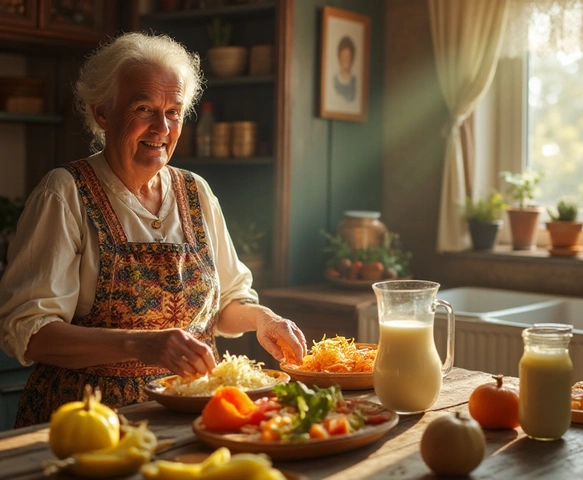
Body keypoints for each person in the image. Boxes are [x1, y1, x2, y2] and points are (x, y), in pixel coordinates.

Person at [0, 32, 307, 428]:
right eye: (144, 108)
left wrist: (263, 319)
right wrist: (141, 344)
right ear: (102, 113)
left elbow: (227, 304)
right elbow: (30, 332)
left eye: (174, 111)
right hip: (90, 420)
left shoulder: (196, 192)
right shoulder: (65, 193)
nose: (162, 127)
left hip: (189, 414)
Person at [333, 35, 357, 102]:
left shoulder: (355, 81)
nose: (346, 59)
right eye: (343, 55)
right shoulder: (334, 81)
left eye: (348, 55)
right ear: (339, 57)